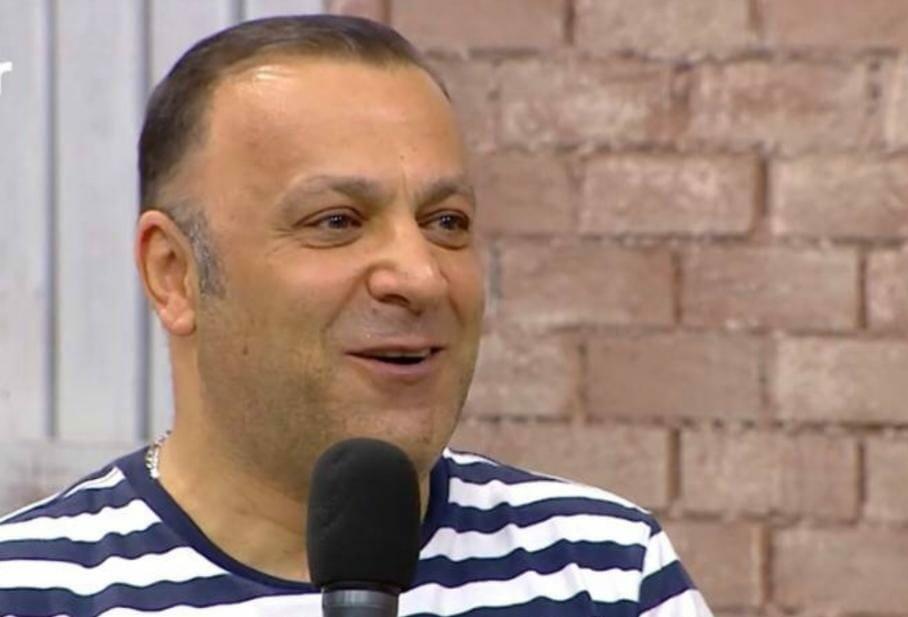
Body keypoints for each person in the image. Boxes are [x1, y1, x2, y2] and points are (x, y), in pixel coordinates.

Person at [0, 15, 712, 617]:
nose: (421, 276)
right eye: (337, 221)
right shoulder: (30, 590)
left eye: (446, 221)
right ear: (174, 274)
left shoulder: (602, 575)